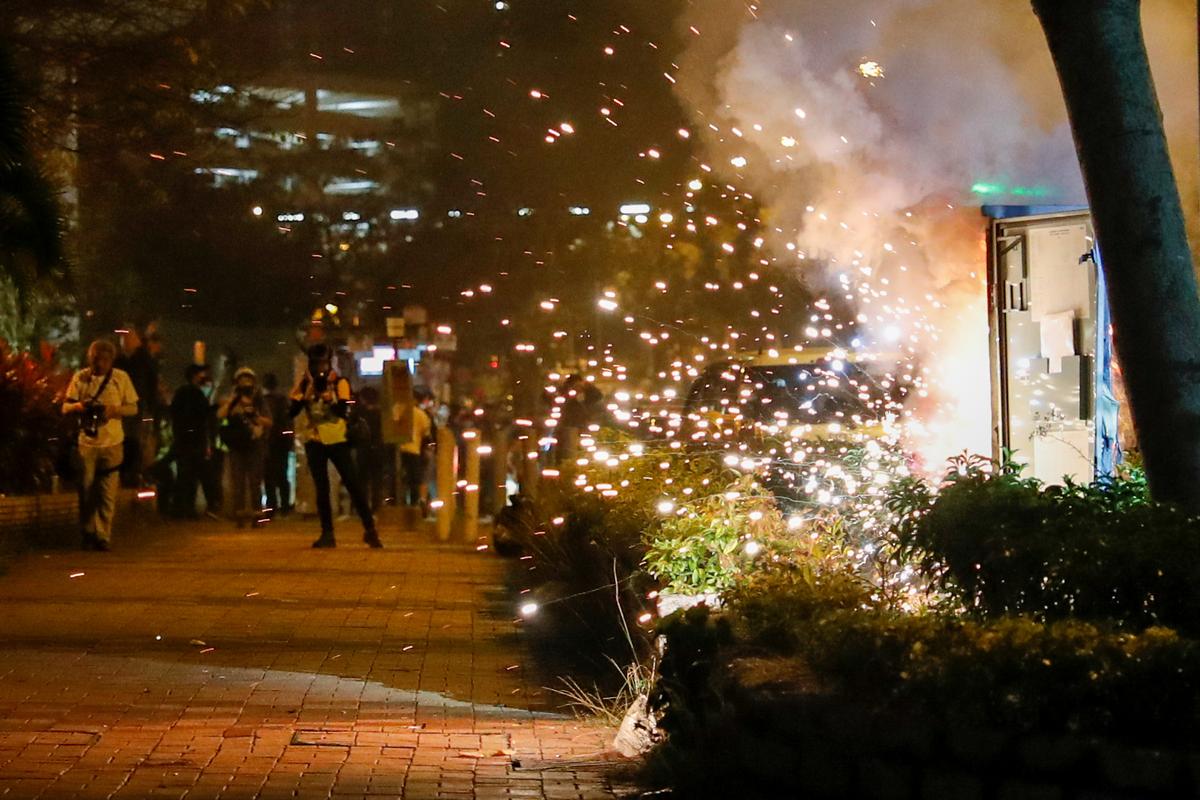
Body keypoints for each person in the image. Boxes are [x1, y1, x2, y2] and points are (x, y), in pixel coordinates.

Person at [290, 343, 381, 548]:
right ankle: (327, 533)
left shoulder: (340, 383)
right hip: (314, 441)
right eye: (316, 363)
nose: (320, 368)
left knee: (353, 484)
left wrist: (329, 398)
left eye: (323, 363)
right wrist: (308, 391)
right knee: (321, 489)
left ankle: (370, 529)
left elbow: (343, 411)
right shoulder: (306, 384)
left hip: (338, 441)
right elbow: (292, 411)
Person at [62, 339, 139, 551]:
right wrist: (80, 406)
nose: (100, 364)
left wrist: (114, 410)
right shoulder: (81, 378)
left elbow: (133, 408)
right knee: (85, 490)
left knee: (107, 493)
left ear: (111, 360)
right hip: (86, 443)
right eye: (96, 359)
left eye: (105, 360)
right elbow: (65, 408)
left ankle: (103, 535)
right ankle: (87, 532)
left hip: (113, 442)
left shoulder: (120, 378)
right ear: (90, 358)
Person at [217, 367, 272, 528]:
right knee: (238, 481)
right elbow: (220, 415)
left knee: (255, 481)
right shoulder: (232, 399)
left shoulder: (259, 399)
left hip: (255, 444)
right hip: (236, 445)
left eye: (248, 381)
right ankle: (239, 514)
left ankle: (257, 515)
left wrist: (255, 415)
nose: (245, 384)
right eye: (242, 381)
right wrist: (232, 402)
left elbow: (269, 421)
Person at [170, 364, 214, 518]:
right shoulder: (196, 393)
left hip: (182, 439)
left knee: (184, 475)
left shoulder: (180, 393)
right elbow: (205, 414)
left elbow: (174, 414)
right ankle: (188, 509)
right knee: (192, 475)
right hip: (195, 440)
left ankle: (180, 509)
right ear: (195, 376)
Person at [261, 373, 294, 516]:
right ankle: (285, 507)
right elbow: (288, 421)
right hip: (281, 442)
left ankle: (271, 507)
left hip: (267, 441)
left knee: (268, 477)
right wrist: (289, 439)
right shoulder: (282, 400)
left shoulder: (262, 401)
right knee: (282, 475)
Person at [399, 395, 432, 511]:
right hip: (414, 450)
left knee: (399, 478)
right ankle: (414, 505)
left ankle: (399, 502)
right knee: (414, 479)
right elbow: (426, 435)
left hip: (399, 451)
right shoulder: (421, 414)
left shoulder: (399, 412)